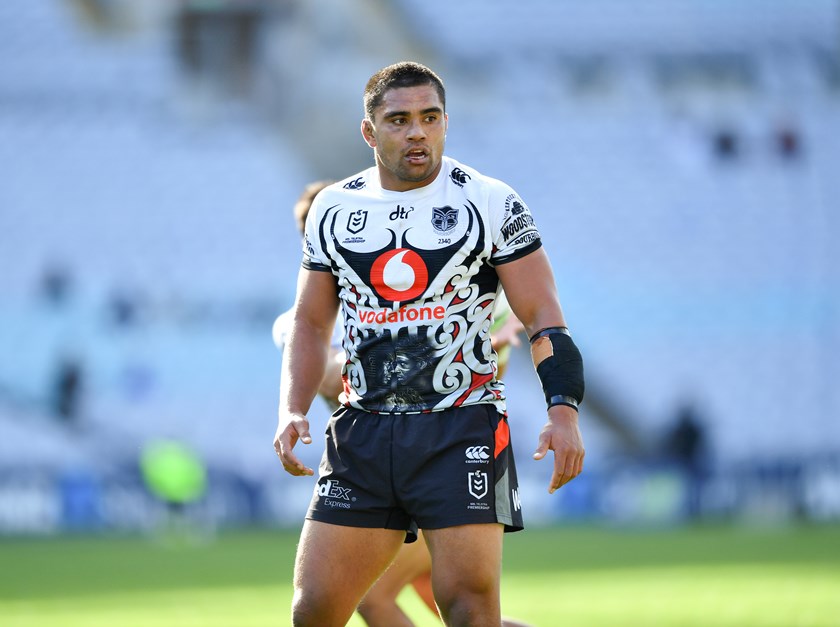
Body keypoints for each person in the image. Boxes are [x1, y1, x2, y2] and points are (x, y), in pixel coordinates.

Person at [274, 61, 585, 627]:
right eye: (399, 120)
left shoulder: (491, 201)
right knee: (314, 611)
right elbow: (311, 323)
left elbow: (543, 315)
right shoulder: (333, 209)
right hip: (363, 432)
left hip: (460, 426)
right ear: (369, 132)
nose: (417, 132)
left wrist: (562, 412)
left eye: (430, 117)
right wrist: (292, 408)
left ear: (445, 122)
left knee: (467, 610)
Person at [274, 181, 529, 626]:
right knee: (461, 612)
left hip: (440, 456)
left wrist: (484, 348)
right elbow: (332, 375)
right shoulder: (299, 323)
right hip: (375, 460)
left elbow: (477, 382)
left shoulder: (420, 294)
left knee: (389, 599)